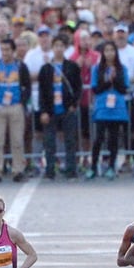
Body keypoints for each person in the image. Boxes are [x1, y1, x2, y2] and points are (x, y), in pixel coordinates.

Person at [0, 38, 31, 183]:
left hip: (15, 106)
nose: (5, 53)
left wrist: (22, 101)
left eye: (8, 50)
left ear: (13, 50)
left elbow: (27, 86)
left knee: (17, 140)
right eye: (2, 50)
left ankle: (18, 170)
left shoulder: (20, 66)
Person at [38, 33, 83, 179]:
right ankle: (50, 169)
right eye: (56, 46)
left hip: (67, 108)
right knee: (49, 142)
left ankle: (71, 169)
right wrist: (43, 111)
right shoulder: (46, 68)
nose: (58, 49)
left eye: (61, 46)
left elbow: (78, 87)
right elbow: (42, 91)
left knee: (70, 140)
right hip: (51, 109)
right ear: (52, 48)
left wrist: (73, 104)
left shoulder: (72, 66)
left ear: (65, 48)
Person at [89, 41, 131, 180]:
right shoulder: (97, 69)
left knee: (113, 138)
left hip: (117, 107)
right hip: (102, 107)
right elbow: (96, 88)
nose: (109, 53)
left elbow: (124, 88)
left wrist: (114, 79)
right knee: (99, 138)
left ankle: (112, 166)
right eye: (106, 50)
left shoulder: (122, 68)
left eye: (112, 50)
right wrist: (108, 80)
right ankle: (93, 166)